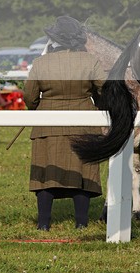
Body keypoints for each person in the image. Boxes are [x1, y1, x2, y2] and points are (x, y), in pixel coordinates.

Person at [23, 16, 107, 231]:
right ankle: (81, 223)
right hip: (84, 122)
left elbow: (30, 96)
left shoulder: (41, 63)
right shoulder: (90, 61)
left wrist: (38, 107)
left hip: (47, 123)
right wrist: (97, 105)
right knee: (82, 173)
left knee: (46, 173)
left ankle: (43, 224)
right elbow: (104, 90)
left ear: (54, 39)